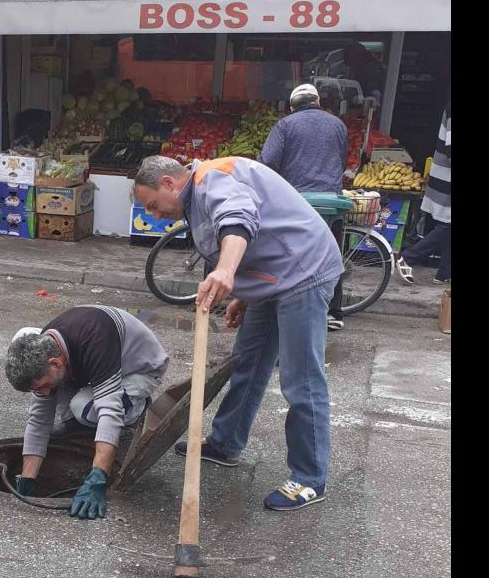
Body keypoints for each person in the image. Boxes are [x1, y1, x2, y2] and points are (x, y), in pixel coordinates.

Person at [133, 155, 343, 512]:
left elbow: (238, 220)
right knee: (246, 363)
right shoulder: (195, 197)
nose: (154, 214)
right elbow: (243, 240)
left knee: (301, 379)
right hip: (273, 278)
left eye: (153, 204)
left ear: (169, 182)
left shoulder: (213, 179)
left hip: (303, 272)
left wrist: (226, 273)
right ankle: (226, 443)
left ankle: (309, 479)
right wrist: (244, 295)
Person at [5, 305, 169, 520]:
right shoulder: (46, 345)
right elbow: (39, 419)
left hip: (139, 369)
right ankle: (89, 425)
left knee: (82, 408)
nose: (42, 393)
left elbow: (109, 410)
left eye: (41, 385)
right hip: (93, 365)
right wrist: (27, 479)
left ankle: (134, 409)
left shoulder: (96, 340)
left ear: (54, 363)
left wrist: (98, 477)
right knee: (68, 408)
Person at [260, 83, 349, 331]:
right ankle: (334, 313)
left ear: (292, 107)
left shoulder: (285, 125)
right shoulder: (338, 124)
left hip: (297, 201)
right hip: (331, 201)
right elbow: (342, 161)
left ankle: (289, 307)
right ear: (318, 101)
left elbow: (268, 161)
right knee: (332, 253)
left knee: (291, 254)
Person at [397, 101, 451, 284]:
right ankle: (409, 257)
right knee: (447, 226)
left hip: (445, 177)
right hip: (447, 179)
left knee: (448, 225)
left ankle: (445, 273)